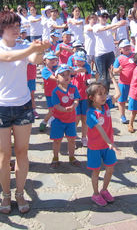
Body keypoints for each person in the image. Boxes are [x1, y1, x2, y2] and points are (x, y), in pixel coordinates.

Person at [0, 10, 49, 214]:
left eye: (17, 26)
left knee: (22, 151)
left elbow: (36, 61)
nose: (15, 30)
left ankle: (20, 192)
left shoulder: (24, 46)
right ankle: (5, 194)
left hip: (23, 105)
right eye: (11, 26)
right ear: (1, 29)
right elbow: (7, 56)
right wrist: (31, 47)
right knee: (3, 154)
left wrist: (39, 50)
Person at [85, 75, 121, 207]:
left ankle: (104, 190)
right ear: (91, 98)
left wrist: (113, 78)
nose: (104, 96)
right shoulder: (91, 113)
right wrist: (110, 143)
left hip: (108, 146)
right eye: (100, 94)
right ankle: (95, 194)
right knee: (96, 171)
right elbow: (100, 130)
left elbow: (118, 94)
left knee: (110, 169)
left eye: (105, 93)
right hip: (96, 147)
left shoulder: (106, 106)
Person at [50, 65, 81, 168]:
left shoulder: (73, 88)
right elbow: (56, 105)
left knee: (72, 139)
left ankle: (72, 157)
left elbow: (76, 99)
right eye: (62, 75)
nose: (66, 76)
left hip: (71, 120)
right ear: (57, 78)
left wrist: (74, 105)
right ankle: (55, 158)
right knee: (57, 141)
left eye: (68, 74)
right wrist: (64, 109)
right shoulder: (55, 91)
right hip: (58, 120)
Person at [93, 10, 127, 89]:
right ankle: (99, 93)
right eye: (103, 16)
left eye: (106, 16)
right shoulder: (96, 26)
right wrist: (117, 24)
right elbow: (104, 28)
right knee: (102, 76)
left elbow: (113, 28)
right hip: (100, 54)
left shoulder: (109, 25)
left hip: (110, 53)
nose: (105, 18)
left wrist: (121, 24)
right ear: (98, 17)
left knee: (109, 75)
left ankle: (106, 93)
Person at [71, 51, 92, 146]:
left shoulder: (87, 68)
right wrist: (74, 71)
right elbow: (71, 73)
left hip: (85, 97)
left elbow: (85, 70)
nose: (79, 63)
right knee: (76, 119)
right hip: (75, 98)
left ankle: (84, 137)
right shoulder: (71, 69)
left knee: (85, 119)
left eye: (81, 61)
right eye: (77, 61)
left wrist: (79, 70)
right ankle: (73, 138)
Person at [112, 39, 135, 124]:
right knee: (122, 101)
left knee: (136, 99)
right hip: (123, 83)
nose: (127, 48)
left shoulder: (134, 56)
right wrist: (119, 69)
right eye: (124, 47)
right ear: (120, 49)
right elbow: (114, 70)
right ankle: (122, 115)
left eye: (128, 46)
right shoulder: (119, 58)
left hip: (134, 83)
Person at [40, 52, 59, 132]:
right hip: (50, 93)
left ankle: (54, 123)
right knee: (52, 110)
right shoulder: (45, 70)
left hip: (58, 92)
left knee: (57, 109)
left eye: (54, 59)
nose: (52, 61)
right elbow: (54, 78)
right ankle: (44, 122)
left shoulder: (55, 68)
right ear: (44, 61)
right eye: (50, 59)